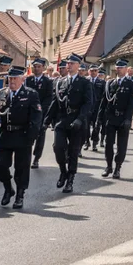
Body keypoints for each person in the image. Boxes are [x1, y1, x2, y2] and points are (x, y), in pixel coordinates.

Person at [0, 65, 43, 209]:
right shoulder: (2, 94)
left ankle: (20, 195)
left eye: (15, 78)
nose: (12, 81)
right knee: (1, 165)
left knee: (21, 168)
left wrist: (32, 137)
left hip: (23, 135)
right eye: (10, 78)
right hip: (6, 135)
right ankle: (8, 189)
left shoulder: (31, 94)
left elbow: (36, 117)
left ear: (22, 79)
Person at [49, 54, 92, 192]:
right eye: (68, 63)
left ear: (78, 66)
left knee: (73, 152)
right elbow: (55, 103)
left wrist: (80, 119)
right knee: (58, 147)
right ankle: (63, 171)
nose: (69, 65)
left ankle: (70, 179)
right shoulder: (60, 82)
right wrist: (45, 121)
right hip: (62, 120)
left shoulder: (85, 83)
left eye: (72, 63)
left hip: (77, 121)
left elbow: (88, 103)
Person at [99, 59, 133, 178]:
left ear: (126, 69)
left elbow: (132, 103)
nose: (119, 69)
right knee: (108, 143)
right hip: (110, 118)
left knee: (121, 145)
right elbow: (104, 102)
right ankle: (109, 166)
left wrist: (128, 119)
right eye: (117, 67)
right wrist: (99, 119)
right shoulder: (110, 83)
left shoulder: (131, 83)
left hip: (123, 118)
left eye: (121, 67)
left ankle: (118, 167)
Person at [26, 58, 55, 169]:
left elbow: (49, 98)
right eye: (35, 67)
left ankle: (36, 158)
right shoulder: (29, 80)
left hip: (41, 112)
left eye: (39, 67)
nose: (37, 69)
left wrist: (40, 110)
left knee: (40, 135)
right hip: (28, 112)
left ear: (43, 68)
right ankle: (27, 156)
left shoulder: (48, 82)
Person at [87, 65, 106, 153]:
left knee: (96, 126)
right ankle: (86, 141)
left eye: (95, 70)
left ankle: (94, 143)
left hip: (97, 108)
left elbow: (104, 96)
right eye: (92, 71)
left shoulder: (102, 82)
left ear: (97, 72)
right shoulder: (85, 81)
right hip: (87, 107)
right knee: (85, 126)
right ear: (89, 71)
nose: (93, 72)